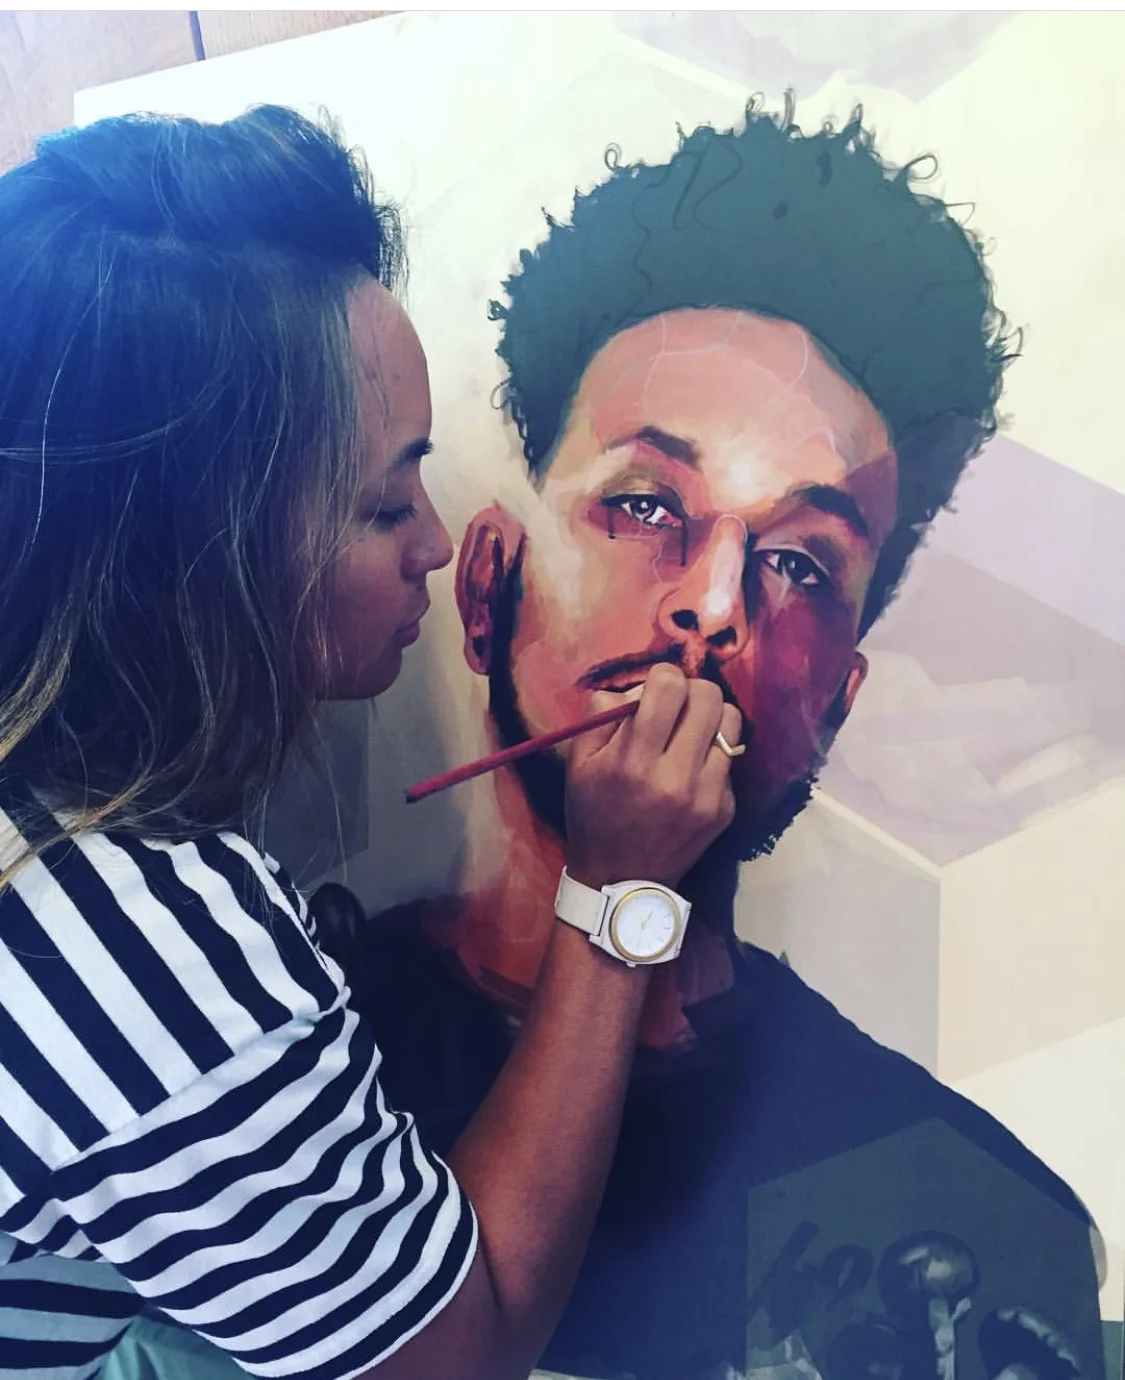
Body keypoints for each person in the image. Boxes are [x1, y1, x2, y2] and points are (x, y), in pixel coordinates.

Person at [325, 103, 1108, 1380]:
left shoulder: (968, 1218)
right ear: (487, 587)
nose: (716, 604)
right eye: (644, 506)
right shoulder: (267, 1060)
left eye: (801, 560)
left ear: (837, 705)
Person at [0, 105, 742, 1380]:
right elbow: (460, 1351)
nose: (437, 545)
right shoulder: (128, 945)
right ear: (196, 555)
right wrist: (618, 894)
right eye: (387, 503)